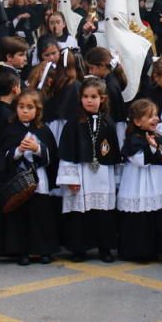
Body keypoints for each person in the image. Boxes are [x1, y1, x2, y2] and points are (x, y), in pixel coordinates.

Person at [0, 89, 60, 264]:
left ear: (38, 110)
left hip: (39, 179)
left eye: (30, 107)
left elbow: (52, 156)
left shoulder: (43, 130)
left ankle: (44, 250)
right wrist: (19, 151)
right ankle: (22, 251)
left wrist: (37, 149)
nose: (25, 111)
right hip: (17, 178)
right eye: (21, 107)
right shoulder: (10, 129)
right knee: (20, 216)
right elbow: (0, 157)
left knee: (41, 215)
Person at [57, 77, 120, 262]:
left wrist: (116, 178)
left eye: (93, 96)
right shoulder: (73, 123)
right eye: (85, 96)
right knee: (79, 215)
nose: (89, 100)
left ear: (103, 98)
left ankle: (105, 248)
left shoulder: (108, 122)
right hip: (81, 175)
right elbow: (67, 152)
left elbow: (114, 153)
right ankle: (79, 248)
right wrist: (71, 179)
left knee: (103, 214)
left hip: (102, 175)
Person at [116, 99, 162, 262]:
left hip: (159, 181)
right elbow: (139, 161)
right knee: (141, 217)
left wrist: (156, 147)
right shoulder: (133, 139)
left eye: (156, 115)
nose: (156, 119)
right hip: (139, 182)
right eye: (150, 116)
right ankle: (140, 251)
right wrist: (151, 147)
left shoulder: (158, 137)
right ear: (137, 121)